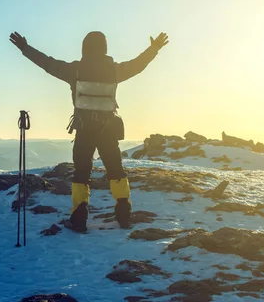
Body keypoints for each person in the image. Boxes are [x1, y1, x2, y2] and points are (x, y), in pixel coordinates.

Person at [9, 30, 169, 232]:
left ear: (84, 48)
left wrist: (25, 48)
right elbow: (138, 65)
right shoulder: (114, 71)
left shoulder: (74, 70)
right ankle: (123, 214)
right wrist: (154, 49)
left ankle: (79, 218)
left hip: (84, 130)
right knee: (116, 171)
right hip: (108, 130)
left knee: (81, 173)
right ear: (105, 48)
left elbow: (47, 63)